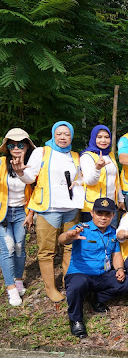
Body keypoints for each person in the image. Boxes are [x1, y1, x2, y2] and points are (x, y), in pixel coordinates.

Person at [14, 121, 84, 302]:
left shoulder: (75, 156)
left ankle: (68, 282)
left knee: (70, 246)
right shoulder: (42, 152)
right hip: (48, 208)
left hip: (71, 208)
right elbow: (30, 177)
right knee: (47, 251)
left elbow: (82, 179)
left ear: (71, 137)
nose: (62, 137)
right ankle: (51, 288)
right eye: (59, 133)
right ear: (53, 134)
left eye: (66, 134)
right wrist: (20, 173)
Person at [60, 198, 128, 339]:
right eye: (99, 213)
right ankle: (76, 320)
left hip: (101, 275)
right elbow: (63, 239)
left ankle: (96, 298)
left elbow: (116, 254)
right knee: (77, 284)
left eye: (107, 214)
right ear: (92, 213)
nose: (103, 218)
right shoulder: (81, 228)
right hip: (80, 273)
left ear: (113, 216)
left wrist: (119, 269)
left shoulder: (113, 232)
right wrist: (69, 236)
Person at [0, 128, 36, 306]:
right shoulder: (1, 164)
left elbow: (36, 193)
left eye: (20, 144)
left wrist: (31, 214)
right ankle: (11, 288)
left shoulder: (32, 166)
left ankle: (18, 279)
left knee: (20, 246)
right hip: (3, 213)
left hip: (22, 211)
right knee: (8, 247)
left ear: (27, 147)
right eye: (12, 145)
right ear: (7, 147)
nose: (16, 148)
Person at [80, 125, 125, 227]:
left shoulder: (110, 155)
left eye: (106, 137)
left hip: (110, 205)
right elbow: (89, 181)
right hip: (93, 206)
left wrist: (120, 199)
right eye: (99, 137)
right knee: (93, 238)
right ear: (93, 138)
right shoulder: (87, 156)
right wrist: (97, 168)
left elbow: (116, 179)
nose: (103, 140)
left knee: (109, 237)